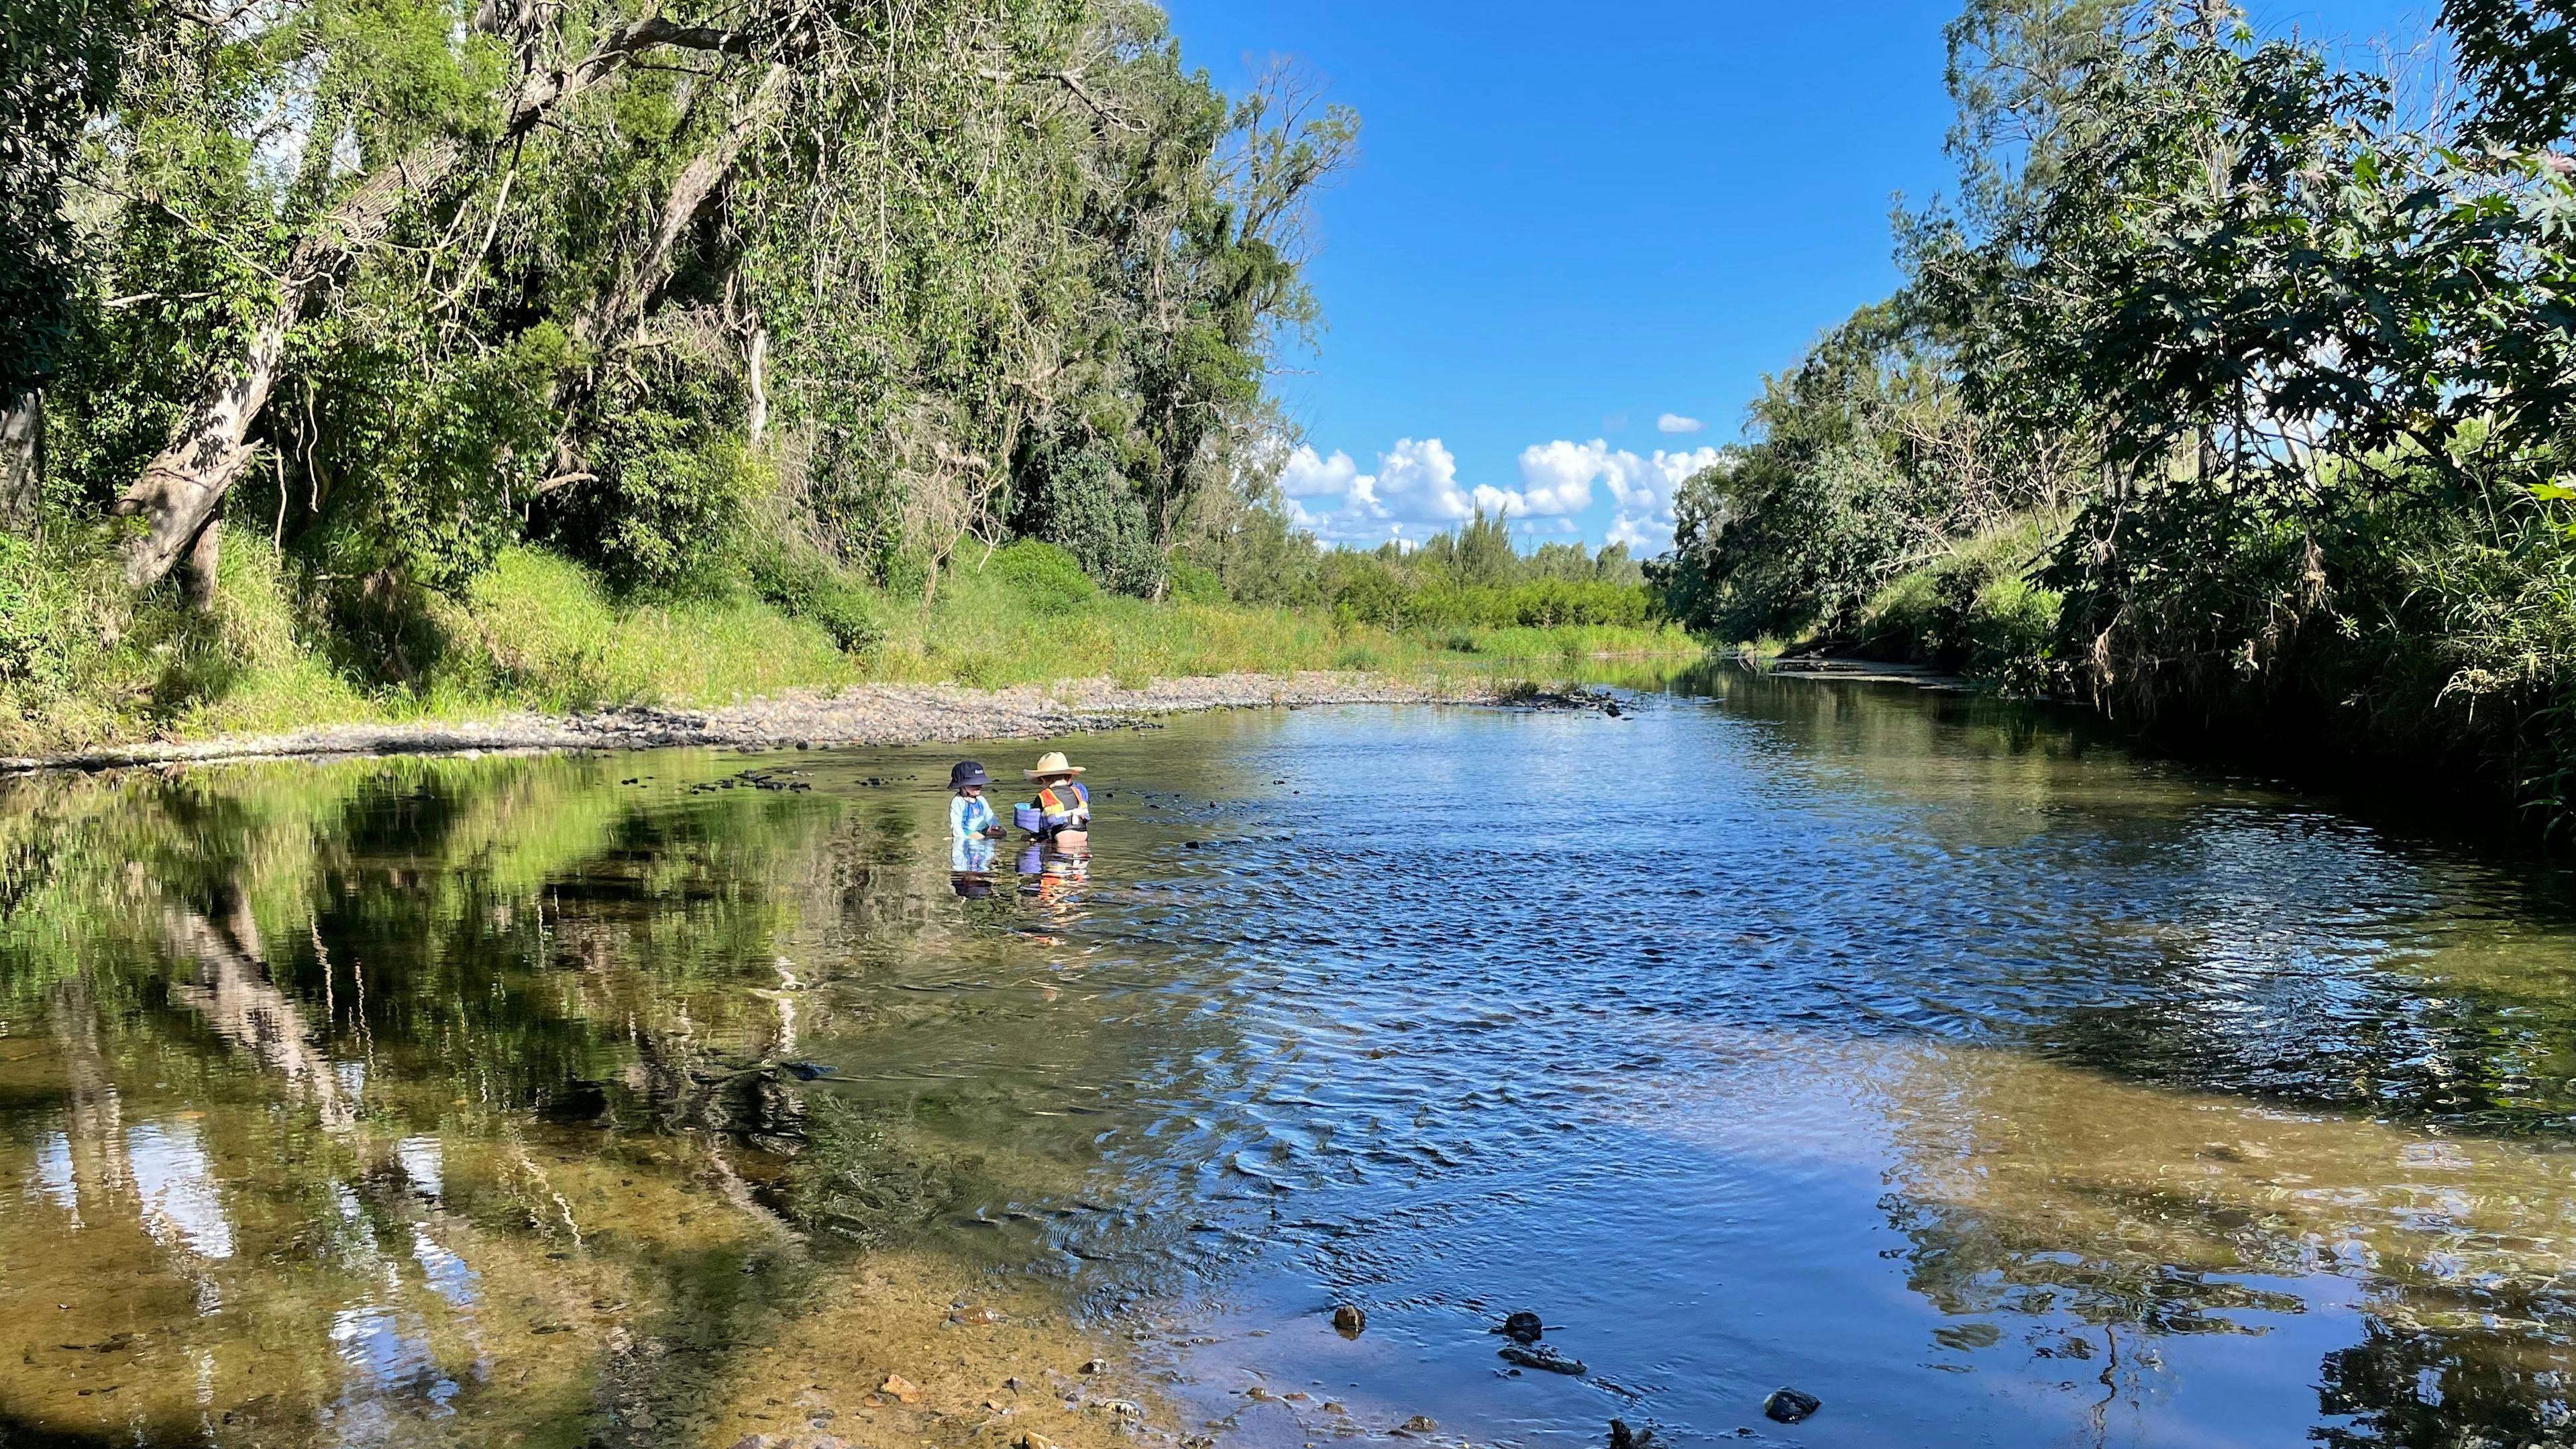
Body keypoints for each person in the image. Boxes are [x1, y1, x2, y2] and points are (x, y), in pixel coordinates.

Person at [1023, 751, 1091, 852]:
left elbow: (1034, 824)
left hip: (1061, 839)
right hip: (1083, 837)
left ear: (1044, 779)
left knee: (1028, 840)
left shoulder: (1044, 796)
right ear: (1069, 778)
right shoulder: (1078, 792)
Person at [949, 760, 1006, 844]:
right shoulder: (958, 801)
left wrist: (994, 825)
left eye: (980, 784)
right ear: (962, 786)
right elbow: (956, 824)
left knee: (1003, 833)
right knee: (979, 837)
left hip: (983, 830)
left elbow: (989, 816)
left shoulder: (981, 800)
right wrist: (963, 838)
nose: (979, 787)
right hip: (968, 832)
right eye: (974, 785)